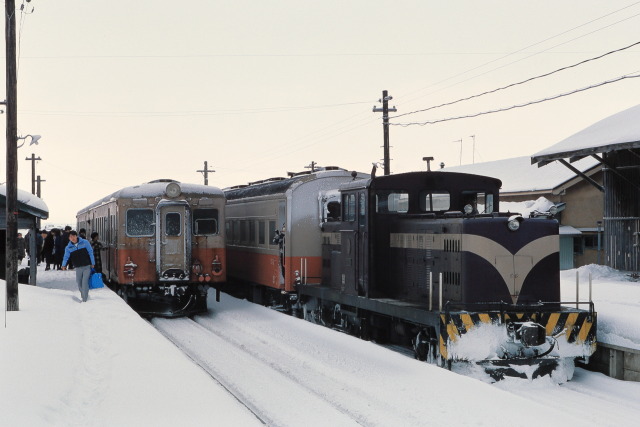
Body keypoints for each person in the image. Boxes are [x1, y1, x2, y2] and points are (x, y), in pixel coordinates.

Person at [61, 230, 95, 303]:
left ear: (77, 236)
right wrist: (64, 265)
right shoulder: (68, 247)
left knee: (84, 282)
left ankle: (85, 299)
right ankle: (84, 295)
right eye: (70, 237)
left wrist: (92, 263)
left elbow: (90, 252)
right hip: (78, 267)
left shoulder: (85, 242)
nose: (72, 238)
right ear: (69, 238)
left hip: (87, 266)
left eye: (73, 236)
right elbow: (66, 257)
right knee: (79, 282)